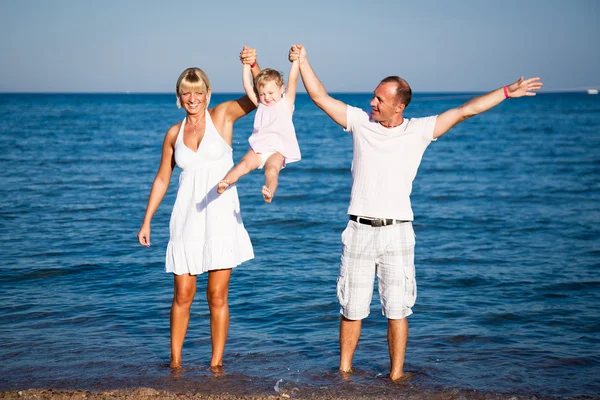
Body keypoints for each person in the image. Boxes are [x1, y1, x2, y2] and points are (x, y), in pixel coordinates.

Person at [288, 44, 542, 381]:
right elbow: (320, 97)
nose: (372, 103)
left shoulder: (419, 130)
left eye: (379, 99)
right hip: (359, 230)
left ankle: (395, 377)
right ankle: (344, 374)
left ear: (399, 105)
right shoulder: (361, 123)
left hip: (397, 233)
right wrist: (303, 61)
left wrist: (508, 91)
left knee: (397, 310)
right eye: (373, 97)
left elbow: (466, 110)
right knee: (351, 309)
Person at [137, 46, 261, 369]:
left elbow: (260, 97)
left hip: (221, 217)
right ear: (178, 96)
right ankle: (175, 363)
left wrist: (254, 65)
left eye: (198, 92)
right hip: (187, 218)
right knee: (182, 292)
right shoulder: (174, 134)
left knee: (217, 295)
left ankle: (215, 365)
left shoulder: (222, 116)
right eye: (186, 93)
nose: (193, 99)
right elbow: (163, 179)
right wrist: (147, 220)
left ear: (208, 93)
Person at [216, 51, 301, 203]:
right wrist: (246, 66)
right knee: (243, 164)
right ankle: (226, 182)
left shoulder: (285, 104)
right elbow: (247, 85)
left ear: (281, 89)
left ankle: (269, 192)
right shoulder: (260, 104)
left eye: (270, 92)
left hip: (277, 150)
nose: (267, 97)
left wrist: (296, 61)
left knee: (272, 170)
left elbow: (293, 80)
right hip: (258, 148)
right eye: (262, 94)